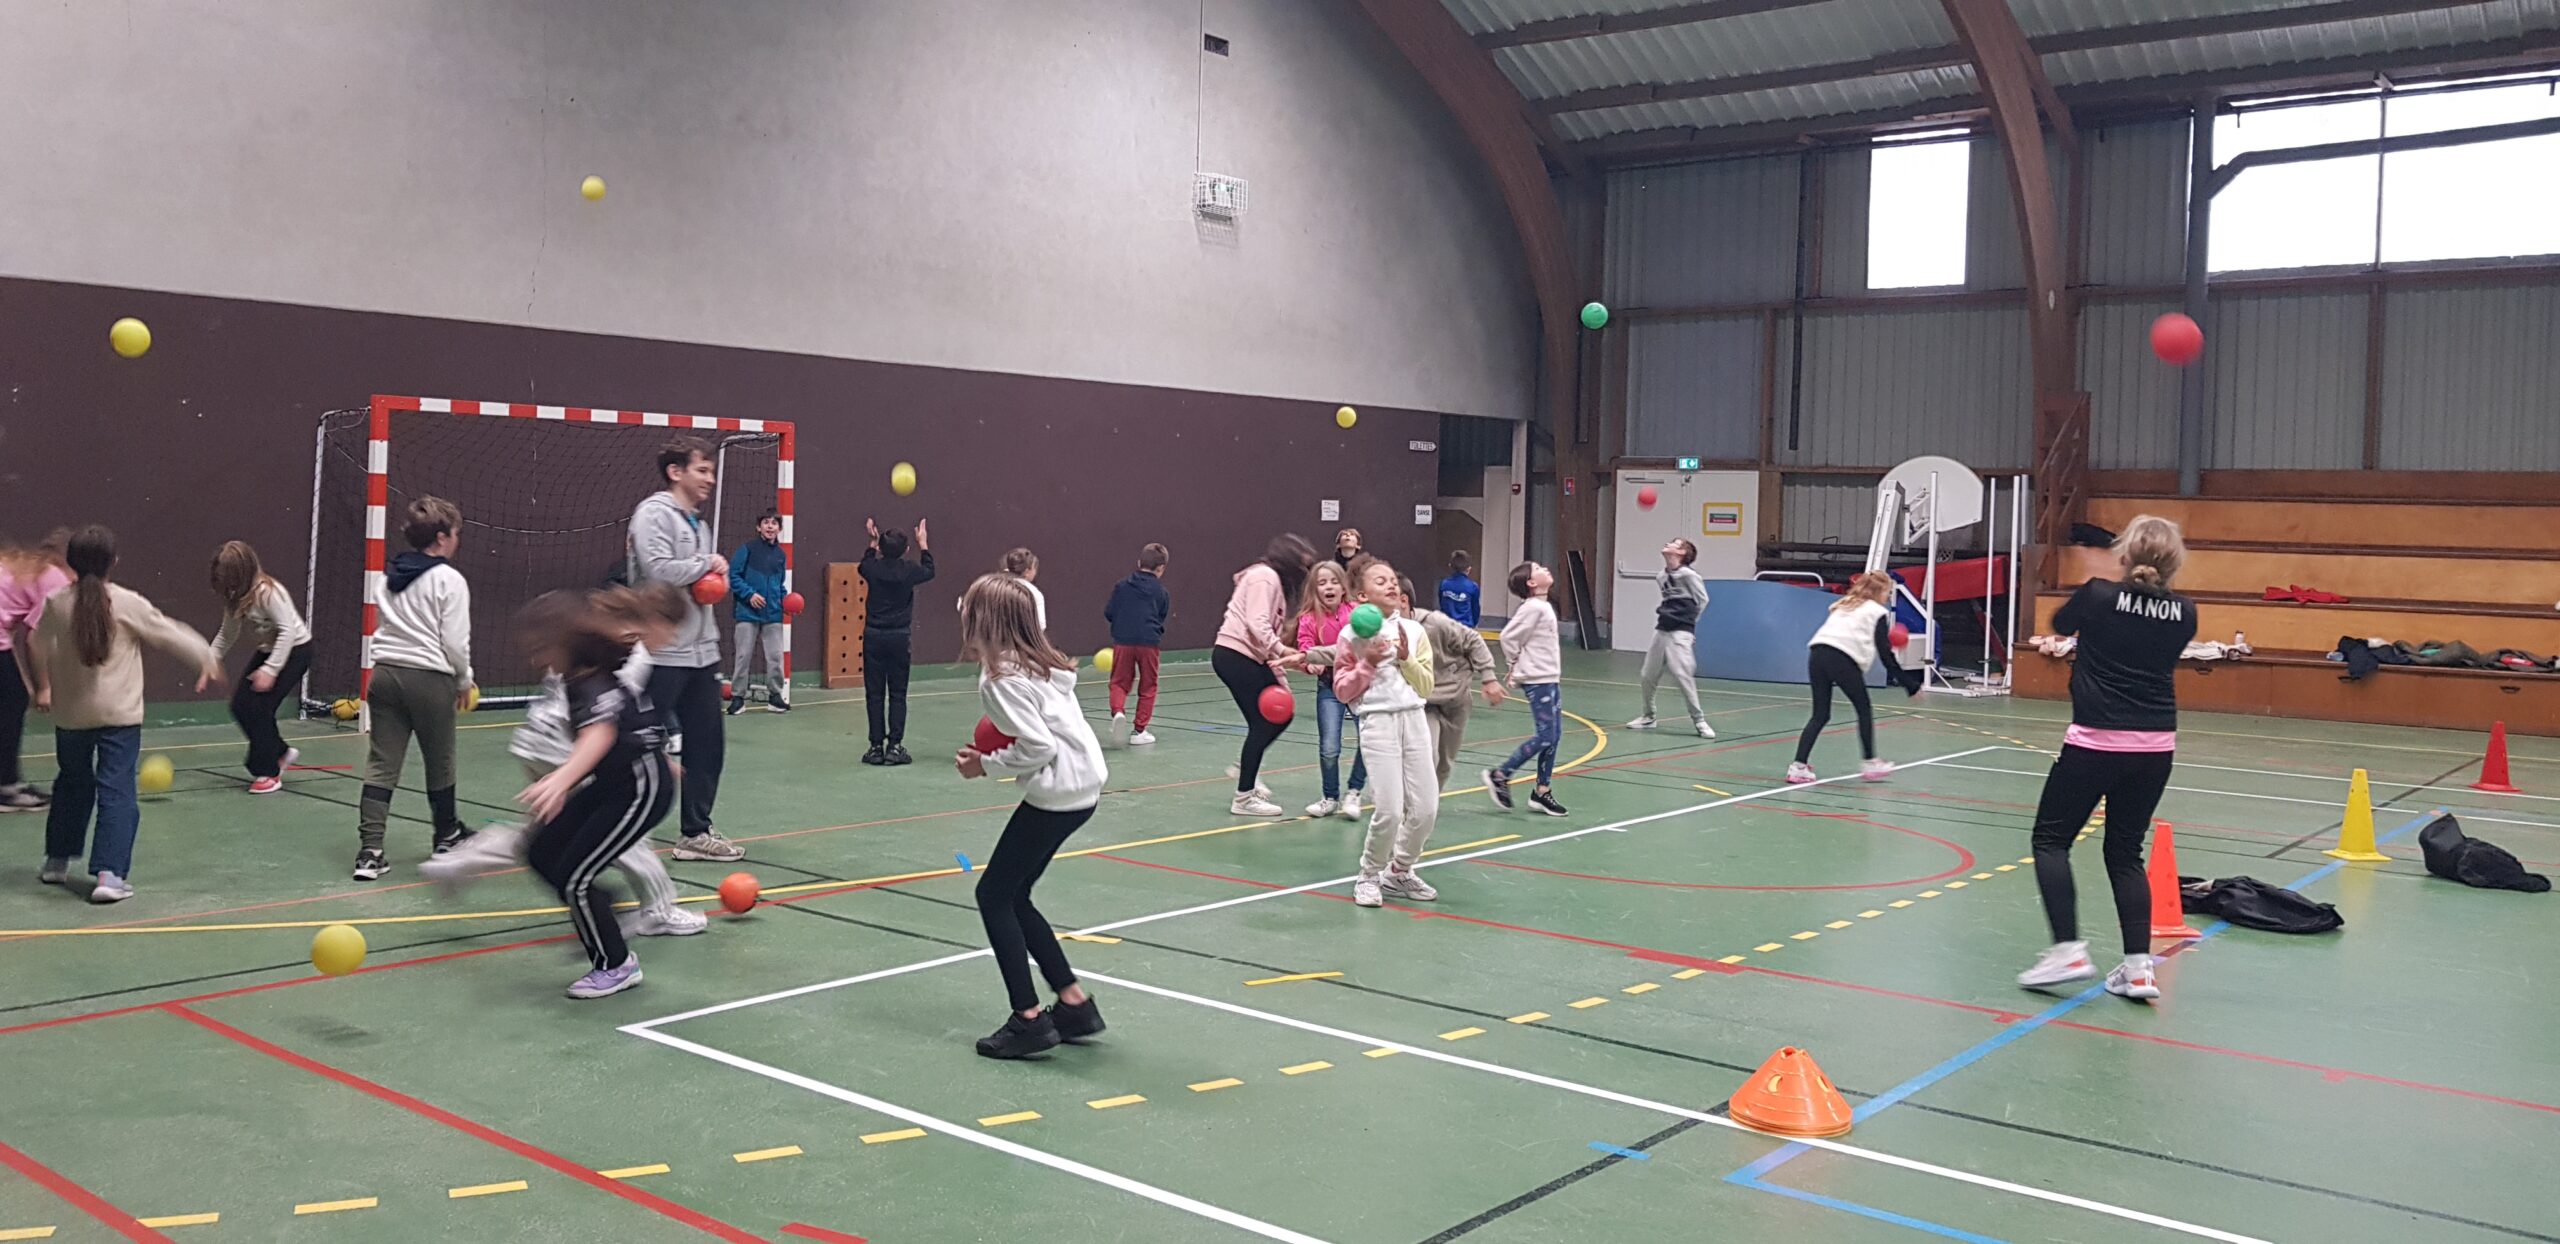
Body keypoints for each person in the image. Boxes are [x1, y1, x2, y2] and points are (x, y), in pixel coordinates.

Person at [423, 583, 706, 939]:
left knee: (549, 834)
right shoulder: (629, 653)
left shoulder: (594, 634)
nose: (674, 638)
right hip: (568, 748)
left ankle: (459, 861)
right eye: (673, 628)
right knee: (624, 831)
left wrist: (655, 755)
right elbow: (613, 721)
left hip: (540, 741)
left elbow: (626, 718)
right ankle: (657, 911)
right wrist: (650, 757)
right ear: (656, 621)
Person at [2016, 517, 2197, 1003]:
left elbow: (2060, 626)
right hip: (2155, 747)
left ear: (2126, 554)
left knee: (2051, 840)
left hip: (2096, 742)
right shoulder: (2185, 612)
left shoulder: (2098, 595)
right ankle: (2138, 970)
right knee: (2124, 852)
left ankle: (2067, 951)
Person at [953, 573, 1108, 1058]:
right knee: (1015, 894)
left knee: (993, 894)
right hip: (1084, 788)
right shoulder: (1040, 663)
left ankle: (1028, 1019)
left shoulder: (1000, 681)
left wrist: (984, 765)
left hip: (1058, 793)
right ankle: (1073, 1003)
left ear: (983, 622)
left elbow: (1038, 747)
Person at [28, 525, 214, 903]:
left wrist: (43, 686)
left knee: (72, 784)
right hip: (119, 719)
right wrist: (206, 659)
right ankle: (109, 875)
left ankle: (57, 861)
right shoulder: (129, 603)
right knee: (116, 790)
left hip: (71, 718)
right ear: (114, 562)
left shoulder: (56, 603)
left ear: (71, 562)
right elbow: (170, 633)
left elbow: (36, 641)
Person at [515, 591, 678, 999]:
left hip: (641, 789)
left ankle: (616, 965)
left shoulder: (591, 682)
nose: (536, 660)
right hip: (614, 784)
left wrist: (561, 780)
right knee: (541, 851)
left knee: (575, 877)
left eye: (542, 649)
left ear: (565, 643)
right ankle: (602, 905)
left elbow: (600, 734)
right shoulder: (579, 677)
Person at [628, 436, 740, 861]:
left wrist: (713, 575)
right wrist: (705, 565)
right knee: (636, 746)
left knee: (707, 745)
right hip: (660, 654)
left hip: (702, 653)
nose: (710, 479)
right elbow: (657, 570)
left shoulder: (699, 524)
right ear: (676, 472)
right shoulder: (652, 514)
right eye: (702, 470)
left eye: (712, 471)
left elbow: (697, 581)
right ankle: (618, 827)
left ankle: (695, 832)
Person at [356, 496, 476, 880]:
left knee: (381, 764)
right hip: (429, 679)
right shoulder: (449, 580)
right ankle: (446, 835)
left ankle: (370, 852)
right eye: (455, 533)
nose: (457, 540)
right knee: (440, 760)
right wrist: (464, 680)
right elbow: (454, 642)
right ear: (441, 538)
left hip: (384, 676)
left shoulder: (388, 577)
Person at [1312, 558, 1437, 907]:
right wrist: (1368, 663)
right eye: (1381, 581)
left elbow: (1426, 686)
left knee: (1426, 809)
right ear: (1362, 595)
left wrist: (1405, 657)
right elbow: (1342, 691)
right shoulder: (1350, 636)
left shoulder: (1414, 631)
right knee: (1390, 810)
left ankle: (1399, 871)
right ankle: (1369, 875)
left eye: (1393, 579)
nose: (1391, 585)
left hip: (1414, 719)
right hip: (1377, 722)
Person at [198, 541, 314, 793]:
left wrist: (271, 670)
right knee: (240, 706)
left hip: (295, 651)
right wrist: (209, 661)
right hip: (268, 651)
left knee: (261, 708)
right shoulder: (235, 597)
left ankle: (269, 771)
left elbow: (287, 632)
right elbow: (227, 634)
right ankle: (280, 751)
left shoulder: (268, 593)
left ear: (241, 574)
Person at [1212, 534, 1315, 817]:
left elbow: (1268, 650)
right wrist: (1282, 649)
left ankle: (1246, 772)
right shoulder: (1264, 577)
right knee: (1266, 722)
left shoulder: (1273, 583)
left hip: (1246, 657)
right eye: (1304, 566)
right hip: (1235, 655)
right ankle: (1244, 796)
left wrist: (1286, 674)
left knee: (1275, 717)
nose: (1306, 573)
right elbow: (1257, 624)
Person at [1786, 572, 1919, 785]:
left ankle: (1798, 767)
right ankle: (1870, 762)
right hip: (1842, 658)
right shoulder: (1877, 612)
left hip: (1817, 655)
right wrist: (1910, 684)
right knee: (1863, 709)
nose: (1888, 596)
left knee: (1820, 714)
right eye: (1888, 591)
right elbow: (1885, 655)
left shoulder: (1844, 605)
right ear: (1879, 591)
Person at [1402, 574, 1502, 786]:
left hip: (1455, 699)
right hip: (1425, 701)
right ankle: (1416, 801)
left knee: (1445, 762)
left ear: (1403, 600)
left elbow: (1473, 640)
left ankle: (1430, 799)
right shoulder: (1386, 630)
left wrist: (1489, 678)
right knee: (1427, 755)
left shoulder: (1435, 623)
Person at [1484, 561, 1566, 817]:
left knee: (1554, 735)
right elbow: (1508, 637)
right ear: (1531, 583)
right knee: (1546, 735)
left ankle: (1542, 791)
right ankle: (1501, 774)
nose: (1545, 569)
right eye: (1538, 569)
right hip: (1537, 678)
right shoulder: (1532, 607)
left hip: (1549, 676)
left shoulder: (1543, 606)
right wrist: (1514, 664)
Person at [0, 530, 71, 812]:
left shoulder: (26, 566)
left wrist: (23, 682)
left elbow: (10, 638)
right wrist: (44, 688)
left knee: (12, 697)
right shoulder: (56, 579)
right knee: (12, 700)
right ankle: (6, 787)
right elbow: (34, 638)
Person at [1292, 561, 1368, 819]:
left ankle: (1354, 792)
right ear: (1315, 589)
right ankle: (1330, 797)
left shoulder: (1356, 612)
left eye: (1334, 582)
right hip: (1329, 686)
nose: (1329, 587)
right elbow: (1305, 646)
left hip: (1359, 685)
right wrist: (1310, 663)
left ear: (1343, 587)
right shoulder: (1308, 619)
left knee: (1368, 740)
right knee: (1329, 747)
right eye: (1322, 583)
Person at [858, 517, 934, 765]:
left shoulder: (872, 569)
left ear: (880, 548)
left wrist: (871, 543)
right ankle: (895, 746)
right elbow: (929, 571)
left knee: (874, 693)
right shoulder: (910, 570)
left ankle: (875, 747)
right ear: (907, 550)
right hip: (899, 637)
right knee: (898, 693)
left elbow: (864, 565)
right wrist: (924, 544)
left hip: (873, 636)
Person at [1628, 538, 1714, 739]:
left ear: (1682, 552)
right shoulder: (1661, 577)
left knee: (1682, 675)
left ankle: (1699, 720)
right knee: (1648, 675)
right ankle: (1648, 716)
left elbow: (1703, 601)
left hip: (1680, 632)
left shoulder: (1689, 576)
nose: (1667, 544)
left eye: (1674, 543)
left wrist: (1689, 627)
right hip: (1662, 630)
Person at [1103, 543, 1170, 748]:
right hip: (1149, 642)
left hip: (1123, 640)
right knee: (1148, 685)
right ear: (1161, 568)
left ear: (1139, 562)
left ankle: (1118, 712)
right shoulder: (1161, 591)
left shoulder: (1121, 586)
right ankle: (1139, 731)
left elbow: (1109, 612)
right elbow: (1161, 615)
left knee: (1119, 681)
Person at [727, 511, 790, 715]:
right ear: (758, 527)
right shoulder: (747, 550)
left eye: (774, 523)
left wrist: (786, 602)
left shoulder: (781, 555)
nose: (770, 526)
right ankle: (738, 698)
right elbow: (733, 576)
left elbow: (779, 584)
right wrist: (749, 595)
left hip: (773, 614)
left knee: (775, 657)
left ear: (779, 529)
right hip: (747, 613)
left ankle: (775, 697)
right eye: (766, 523)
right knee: (743, 656)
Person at [1437, 551, 1481, 629]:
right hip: (1465, 627)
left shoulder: (1444, 584)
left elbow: (1441, 604)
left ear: (1450, 566)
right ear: (1468, 569)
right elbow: (1475, 610)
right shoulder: (1473, 587)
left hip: (1447, 627)